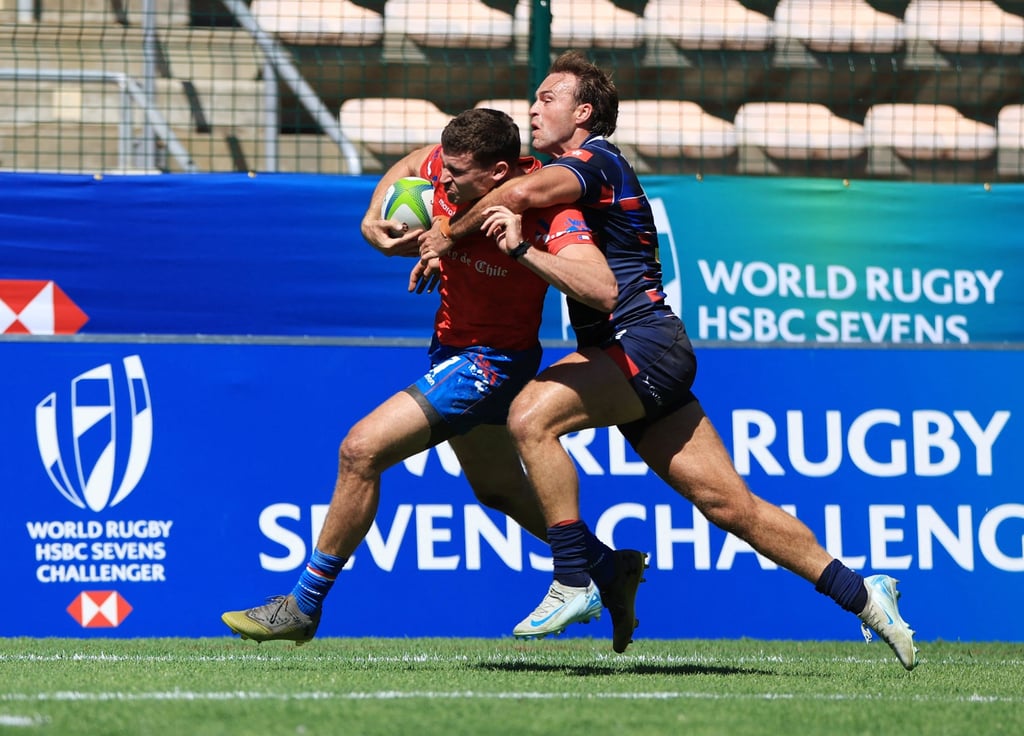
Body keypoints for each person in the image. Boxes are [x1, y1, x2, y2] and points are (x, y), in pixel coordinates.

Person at [417, 52, 919, 670]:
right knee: (730, 506)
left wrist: (448, 235)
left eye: (548, 98)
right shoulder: (566, 171)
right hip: (637, 352)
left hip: (640, 342)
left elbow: (517, 194)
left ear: (584, 112)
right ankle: (864, 593)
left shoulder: (596, 161)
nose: (533, 109)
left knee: (530, 416)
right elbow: (444, 169)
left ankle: (574, 578)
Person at [221, 108, 646, 652]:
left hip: (492, 363)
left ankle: (302, 605)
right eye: (443, 166)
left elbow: (598, 283)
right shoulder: (447, 171)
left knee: (360, 450)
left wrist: (519, 250)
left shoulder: (544, 209)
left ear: (498, 173)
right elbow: (410, 163)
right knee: (498, 490)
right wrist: (371, 218)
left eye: (456, 172)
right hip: (451, 351)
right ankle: (609, 566)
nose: (441, 178)